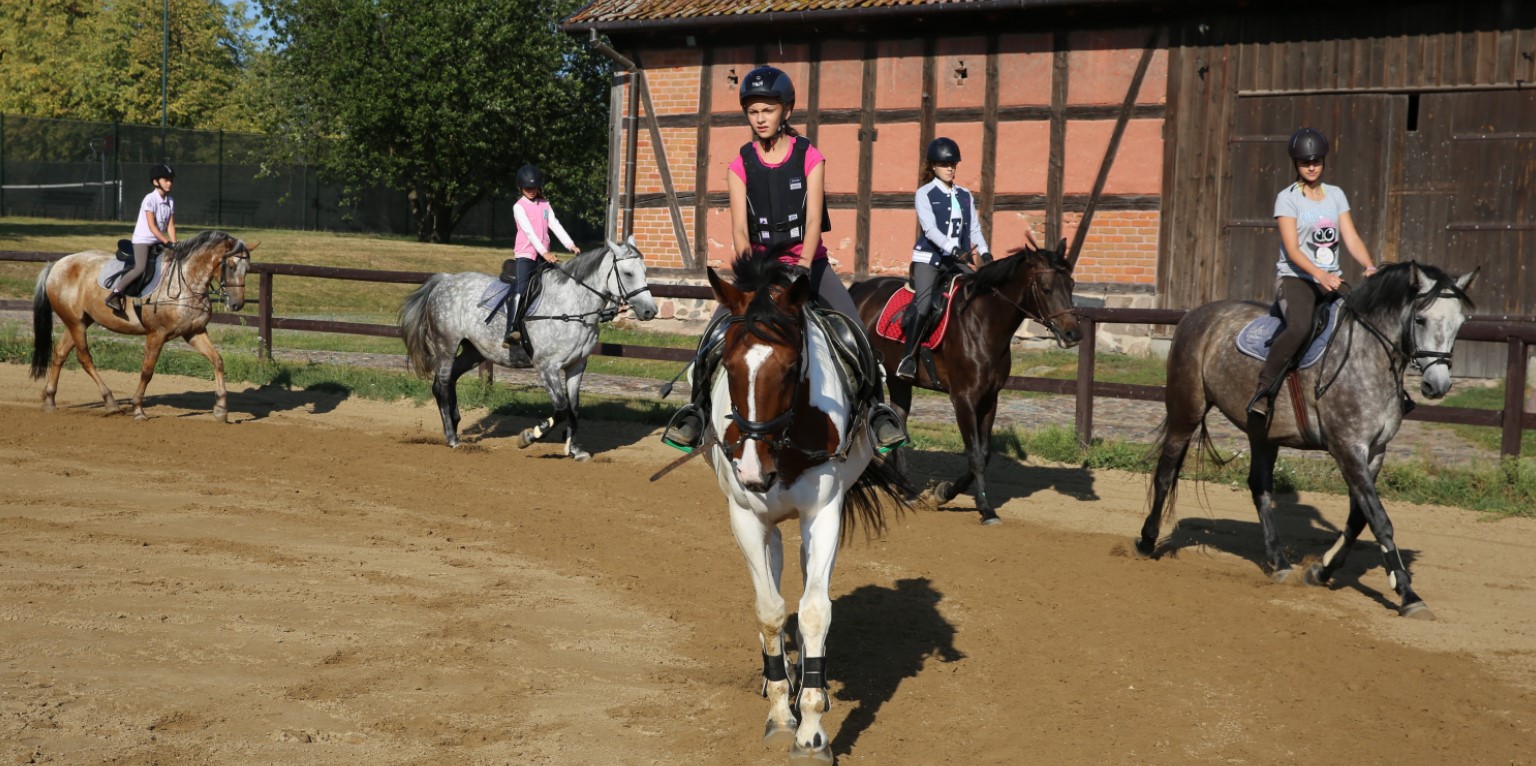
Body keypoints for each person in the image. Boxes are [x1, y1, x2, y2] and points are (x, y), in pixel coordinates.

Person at [662, 64, 907, 452]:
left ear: (786, 111)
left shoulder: (811, 157)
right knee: (712, 338)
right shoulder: (740, 163)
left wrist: (804, 268)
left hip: (809, 266)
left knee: (855, 332)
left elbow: (813, 224)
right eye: (753, 111)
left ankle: (877, 413)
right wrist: (750, 273)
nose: (760, 118)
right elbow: (741, 231)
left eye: (768, 110)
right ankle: (695, 411)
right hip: (758, 270)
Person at [1246, 127, 1378, 419]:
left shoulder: (1336, 195)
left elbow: (1351, 237)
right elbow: (1292, 250)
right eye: (1306, 162)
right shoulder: (1288, 198)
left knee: (1371, 318)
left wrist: (1369, 266)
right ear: (1296, 163)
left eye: (1316, 160)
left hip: (1330, 277)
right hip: (1296, 279)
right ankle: (1264, 391)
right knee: (1299, 327)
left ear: (1323, 161)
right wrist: (1321, 275)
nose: (1312, 166)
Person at [898, 136, 992, 380]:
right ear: (933, 166)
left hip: (956, 261)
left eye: (953, 164)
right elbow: (930, 230)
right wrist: (954, 249)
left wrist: (984, 252)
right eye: (944, 164)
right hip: (928, 259)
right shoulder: (925, 193)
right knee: (925, 303)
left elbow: (973, 229)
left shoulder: (964, 195)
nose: (950, 168)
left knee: (982, 295)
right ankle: (908, 358)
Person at [503, 163, 579, 349]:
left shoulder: (545, 204)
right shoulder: (519, 207)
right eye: (528, 188)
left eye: (534, 187)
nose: (531, 191)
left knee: (559, 284)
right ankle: (512, 328)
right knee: (521, 288)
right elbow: (529, 233)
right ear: (520, 187)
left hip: (544, 255)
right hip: (526, 254)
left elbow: (555, 225)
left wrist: (570, 244)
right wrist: (544, 253)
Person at [108, 163, 177, 311]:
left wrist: (175, 244)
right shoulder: (149, 199)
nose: (169, 183)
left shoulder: (170, 201)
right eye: (166, 180)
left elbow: (170, 225)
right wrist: (167, 242)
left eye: (171, 180)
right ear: (155, 182)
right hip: (143, 241)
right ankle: (114, 294)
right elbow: (152, 227)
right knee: (139, 268)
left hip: (158, 241)